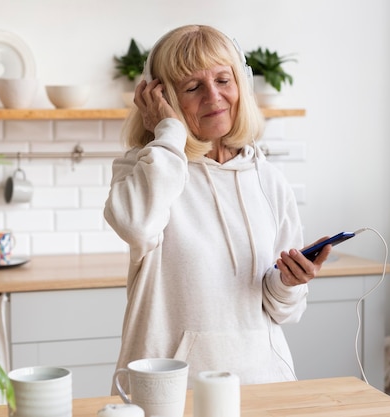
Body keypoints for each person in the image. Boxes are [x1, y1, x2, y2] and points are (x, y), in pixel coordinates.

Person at [104, 24, 332, 388]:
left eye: (223, 80)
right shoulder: (145, 168)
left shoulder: (268, 179)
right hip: (171, 391)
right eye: (192, 87)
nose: (214, 97)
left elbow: (284, 311)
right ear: (162, 100)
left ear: (243, 83)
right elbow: (135, 226)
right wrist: (169, 135)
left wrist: (289, 282)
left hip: (264, 384)